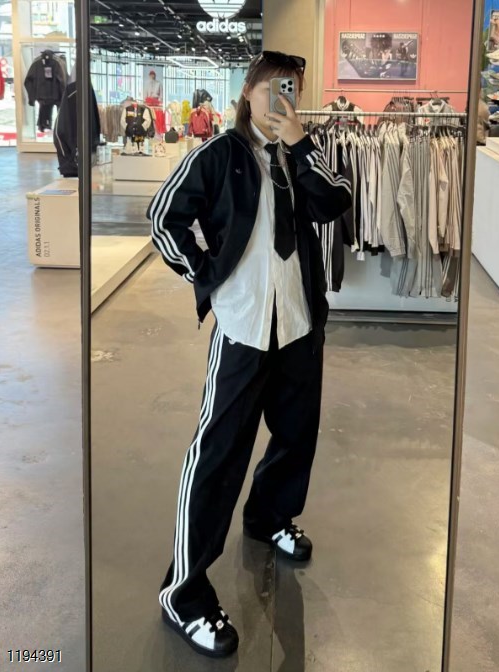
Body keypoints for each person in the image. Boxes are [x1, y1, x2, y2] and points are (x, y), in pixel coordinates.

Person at [147, 50, 351, 659]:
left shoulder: (303, 154)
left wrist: (301, 143)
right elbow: (163, 219)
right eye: (273, 89)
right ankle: (183, 593)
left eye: (294, 89)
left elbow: (335, 202)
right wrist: (207, 275)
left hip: (298, 324)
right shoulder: (219, 155)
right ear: (247, 90)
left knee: (296, 433)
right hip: (242, 329)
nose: (284, 100)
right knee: (218, 453)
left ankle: (270, 516)